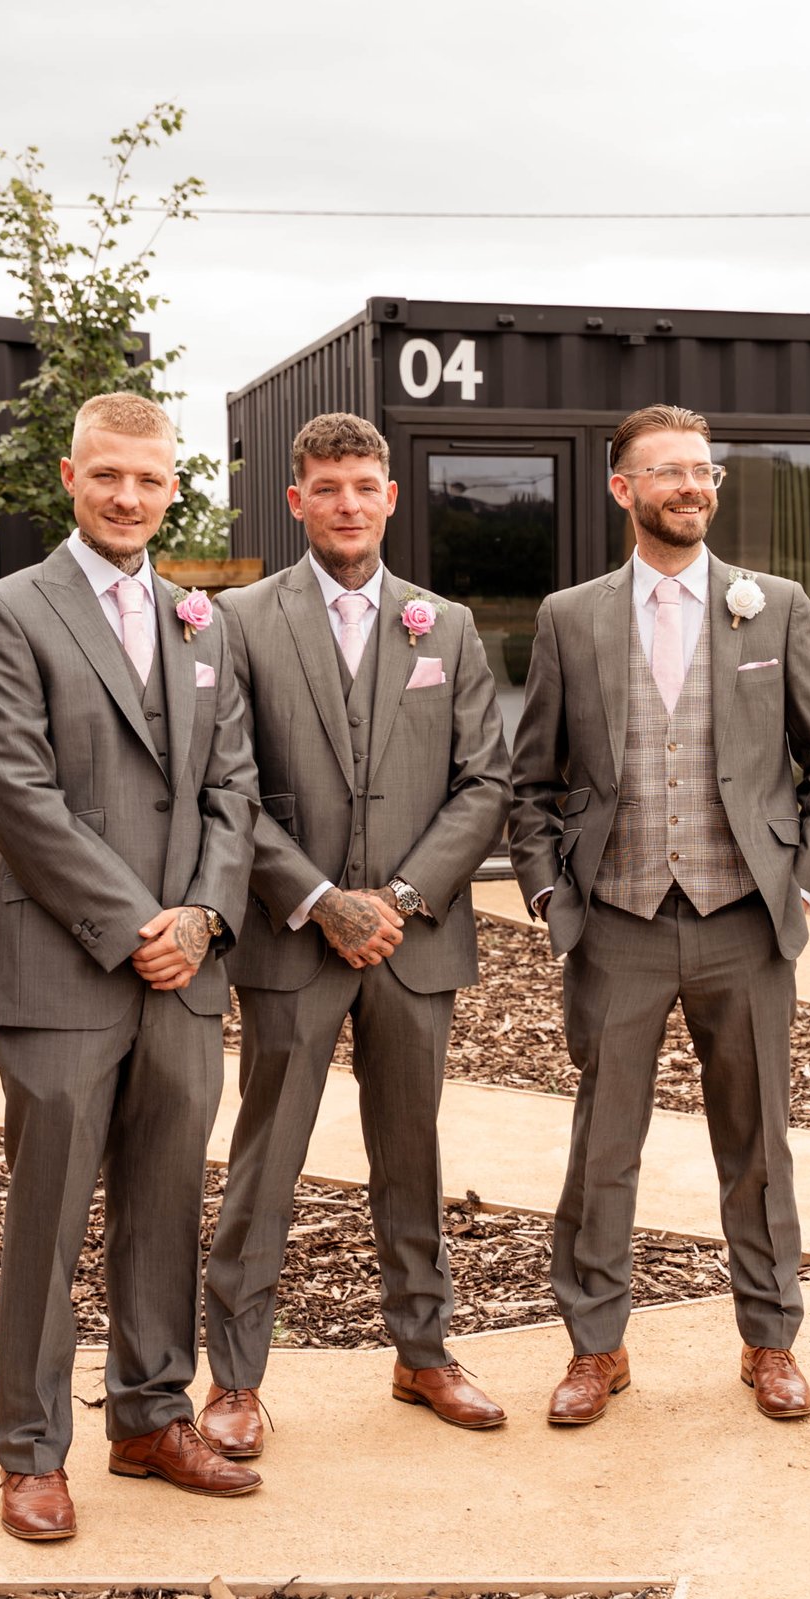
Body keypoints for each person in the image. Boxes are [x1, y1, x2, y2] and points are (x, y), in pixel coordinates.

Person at [508, 403, 810, 1424]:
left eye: (701, 471)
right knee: (603, 1144)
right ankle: (595, 1345)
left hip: (745, 919)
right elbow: (530, 779)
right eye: (666, 472)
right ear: (623, 489)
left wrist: (801, 885)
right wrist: (548, 893)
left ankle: (769, 1337)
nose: (690, 486)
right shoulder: (570, 616)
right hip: (614, 920)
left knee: (757, 1139)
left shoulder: (774, 606)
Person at [0, 391, 262, 1541]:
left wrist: (206, 919)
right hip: (67, 968)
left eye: (148, 478)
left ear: (173, 486)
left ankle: (148, 1412)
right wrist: (138, 922)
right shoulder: (5, 613)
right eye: (107, 476)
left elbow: (234, 787)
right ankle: (30, 1450)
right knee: (48, 1214)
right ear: (71, 481)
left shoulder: (203, 621)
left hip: (188, 972)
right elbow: (16, 798)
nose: (128, 495)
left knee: (165, 1201)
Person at [198, 413, 514, 1457]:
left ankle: (423, 1352)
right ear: (296, 501)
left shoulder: (446, 623)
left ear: (389, 497)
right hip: (292, 936)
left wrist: (405, 897)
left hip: (414, 941)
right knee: (267, 1154)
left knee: (411, 1151)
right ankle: (236, 1378)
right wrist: (320, 895)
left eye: (363, 485)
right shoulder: (239, 619)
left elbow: (484, 781)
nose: (346, 502)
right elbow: (226, 783)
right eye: (326, 486)